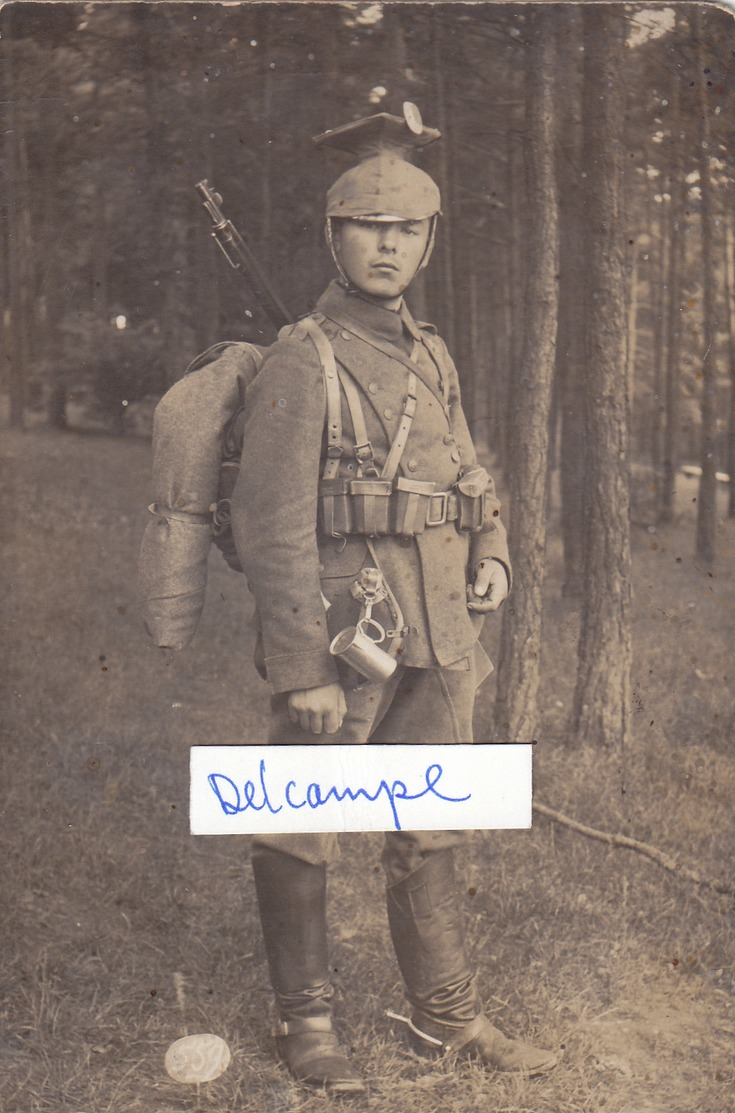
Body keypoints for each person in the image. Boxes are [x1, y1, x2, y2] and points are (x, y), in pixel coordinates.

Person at [230, 105, 557, 1095]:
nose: (388, 245)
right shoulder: (303, 355)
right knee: (301, 819)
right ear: (334, 234)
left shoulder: (434, 354)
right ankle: (308, 1024)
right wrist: (300, 670)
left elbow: (467, 471)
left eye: (407, 228)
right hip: (347, 634)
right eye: (369, 227)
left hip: (439, 628)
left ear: (427, 240)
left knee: (433, 817)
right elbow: (271, 524)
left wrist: (492, 546)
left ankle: (445, 1021)